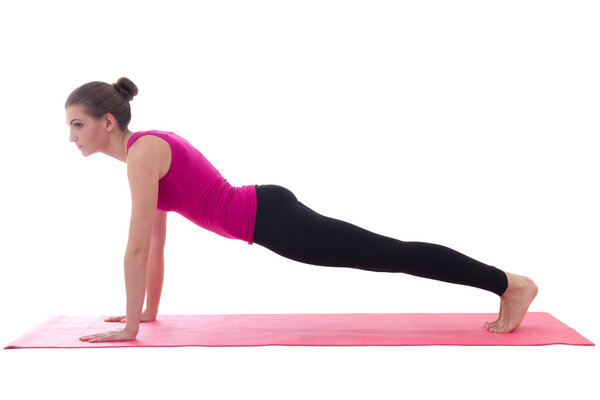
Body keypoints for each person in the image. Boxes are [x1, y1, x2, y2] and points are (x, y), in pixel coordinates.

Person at [68, 77, 538, 343]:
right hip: (268, 214)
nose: (72, 136)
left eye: (78, 124)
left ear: (107, 122)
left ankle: (508, 284)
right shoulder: (145, 153)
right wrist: (146, 312)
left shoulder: (144, 153)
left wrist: (129, 329)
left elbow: (134, 252)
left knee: (392, 254)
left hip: (272, 220)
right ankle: (506, 284)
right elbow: (154, 242)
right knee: (390, 253)